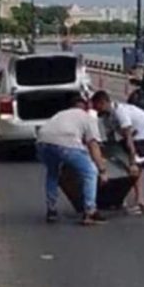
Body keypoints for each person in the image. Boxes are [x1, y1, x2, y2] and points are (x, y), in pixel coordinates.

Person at [36, 95, 110, 225]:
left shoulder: (61, 114)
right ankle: (90, 211)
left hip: (42, 142)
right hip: (66, 143)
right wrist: (102, 170)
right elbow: (93, 145)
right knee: (90, 172)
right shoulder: (87, 118)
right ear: (86, 107)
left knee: (53, 173)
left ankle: (51, 210)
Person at [91, 91, 144, 215]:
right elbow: (110, 140)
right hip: (134, 136)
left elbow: (129, 139)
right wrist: (106, 156)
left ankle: (141, 201)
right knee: (121, 163)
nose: (95, 110)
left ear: (103, 102)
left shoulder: (120, 112)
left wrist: (132, 162)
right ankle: (119, 197)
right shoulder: (106, 116)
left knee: (134, 168)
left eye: (97, 106)